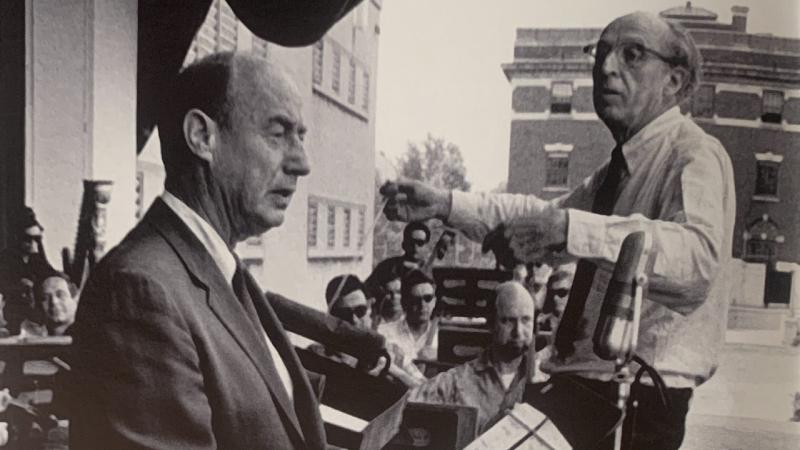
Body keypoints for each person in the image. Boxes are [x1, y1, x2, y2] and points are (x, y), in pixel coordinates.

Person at [382, 12, 735, 450]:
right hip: (582, 391)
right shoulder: (617, 173)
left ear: (674, 81)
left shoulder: (695, 155)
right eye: (601, 53)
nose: (606, 67)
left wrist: (568, 229)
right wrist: (445, 204)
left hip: (632, 404)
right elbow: (540, 215)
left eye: (632, 55)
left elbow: (697, 262)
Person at [69, 52, 327, 449]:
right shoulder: (140, 291)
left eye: (301, 136)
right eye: (278, 134)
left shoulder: (219, 270)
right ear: (202, 137)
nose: (301, 162)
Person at [409, 281, 535, 434]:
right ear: (490, 323)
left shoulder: (545, 381)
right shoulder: (457, 381)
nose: (518, 331)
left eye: (526, 320)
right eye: (508, 321)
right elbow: (407, 408)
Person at [0, 207, 56, 335]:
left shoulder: (37, 260)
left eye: (37, 239)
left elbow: (50, 275)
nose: (33, 244)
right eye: (28, 239)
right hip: (12, 315)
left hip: (38, 318)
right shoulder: (5, 259)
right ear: (17, 238)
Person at [378, 269, 438, 383]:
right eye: (416, 300)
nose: (422, 305)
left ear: (434, 301)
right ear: (404, 302)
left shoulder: (442, 337)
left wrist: (439, 357)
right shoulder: (384, 333)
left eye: (428, 298)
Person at [309, 274, 372, 364]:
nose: (354, 319)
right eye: (345, 314)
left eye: (360, 311)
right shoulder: (315, 354)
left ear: (369, 310)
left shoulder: (386, 352)